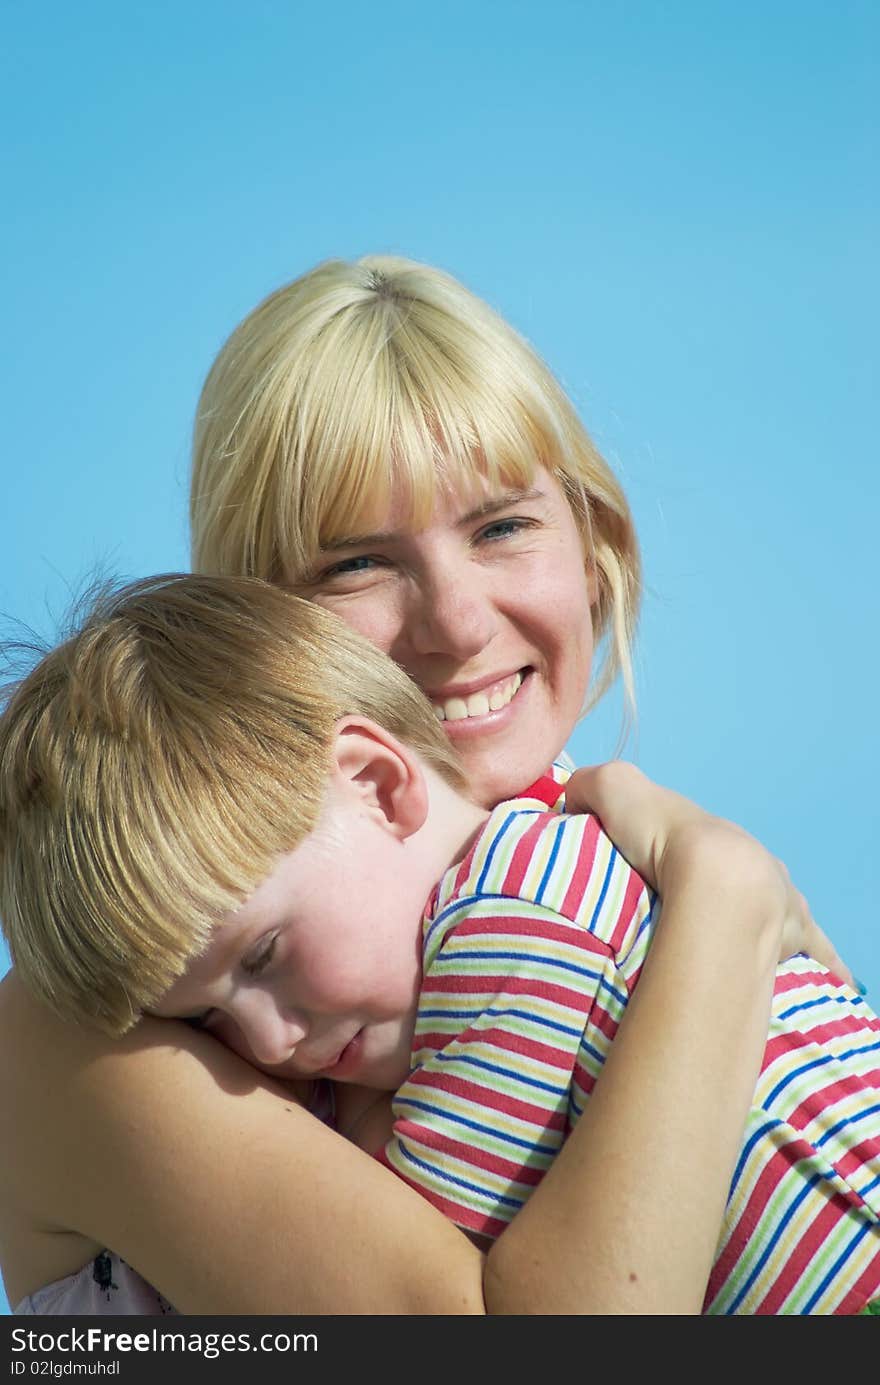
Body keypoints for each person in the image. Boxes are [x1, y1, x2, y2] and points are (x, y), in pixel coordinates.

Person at [0, 255, 852, 1317]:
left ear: (596, 549)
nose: (454, 620)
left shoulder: (578, 909)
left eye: (501, 526)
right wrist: (724, 895)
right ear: (258, 628)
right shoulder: (88, 1011)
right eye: (354, 563)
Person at [2, 574, 875, 1316]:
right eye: (206, 1020)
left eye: (264, 953)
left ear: (378, 785)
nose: (266, 1044)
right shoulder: (566, 858)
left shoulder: (505, 928)